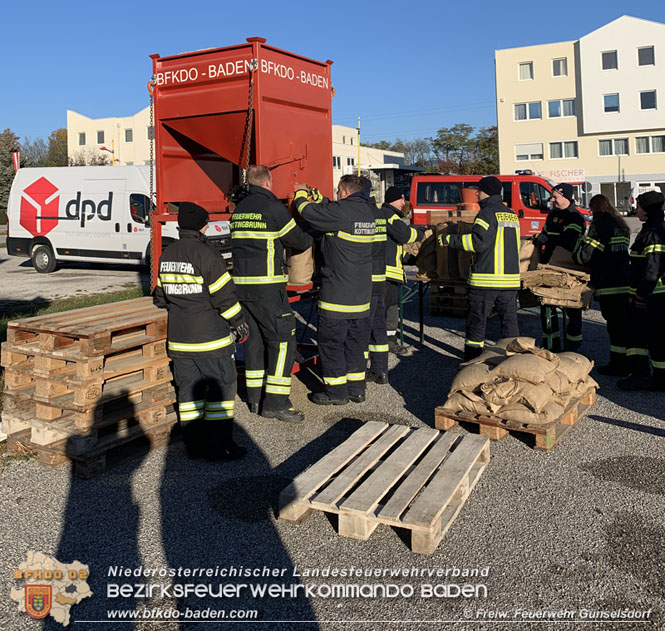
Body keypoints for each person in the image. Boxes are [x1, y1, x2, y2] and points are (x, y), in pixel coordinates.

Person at [153, 202, 249, 460]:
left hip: (180, 341)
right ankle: (219, 448)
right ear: (202, 226)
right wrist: (239, 323)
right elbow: (224, 298)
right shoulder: (208, 256)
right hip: (211, 340)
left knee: (188, 395)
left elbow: (160, 297)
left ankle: (193, 446)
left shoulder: (167, 254)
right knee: (221, 391)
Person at [230, 165, 313, 423]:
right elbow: (298, 241)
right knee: (283, 340)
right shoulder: (273, 208)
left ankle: (254, 398)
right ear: (268, 182)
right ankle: (276, 403)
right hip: (267, 287)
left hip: (241, 288)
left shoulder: (239, 210)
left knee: (253, 342)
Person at [293, 175, 375, 405]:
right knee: (356, 345)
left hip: (338, 296)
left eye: (338, 192)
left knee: (331, 345)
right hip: (361, 297)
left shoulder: (341, 212)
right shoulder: (366, 212)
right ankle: (356, 389)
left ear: (345, 191)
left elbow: (307, 212)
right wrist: (324, 199)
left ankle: (336, 393)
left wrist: (300, 193)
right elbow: (336, 211)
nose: (338, 195)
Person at [443, 176, 520, 361]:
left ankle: (472, 361)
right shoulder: (511, 214)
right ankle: (514, 362)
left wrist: (450, 240)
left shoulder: (486, 214)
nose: (476, 193)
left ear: (486, 191)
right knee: (509, 324)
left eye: (479, 189)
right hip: (509, 282)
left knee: (476, 324)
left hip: (485, 280)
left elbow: (478, 243)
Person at [573, 194, 630, 375]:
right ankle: (624, 362)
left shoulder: (599, 226)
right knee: (621, 325)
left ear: (595, 208)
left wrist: (576, 256)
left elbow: (586, 256)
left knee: (614, 327)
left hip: (607, 282)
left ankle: (618, 365)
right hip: (624, 281)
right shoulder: (620, 225)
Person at [618, 190, 665, 391]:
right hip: (651, 295)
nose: (636, 210)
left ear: (647, 210)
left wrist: (641, 295)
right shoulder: (654, 229)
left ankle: (646, 376)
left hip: (651, 297)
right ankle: (648, 375)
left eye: (639, 206)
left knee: (649, 338)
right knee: (648, 337)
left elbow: (652, 270)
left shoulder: (653, 234)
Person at [535, 182, 586, 351]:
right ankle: (551, 343)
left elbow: (569, 242)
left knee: (571, 307)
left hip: (568, 268)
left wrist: (547, 239)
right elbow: (546, 233)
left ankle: (573, 346)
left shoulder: (575, 217)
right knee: (546, 305)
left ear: (565, 197)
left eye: (555, 196)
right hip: (548, 266)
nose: (552, 199)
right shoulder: (552, 215)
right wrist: (540, 238)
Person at [382, 186, 424, 355]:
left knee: (388, 308)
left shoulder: (384, 215)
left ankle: (385, 341)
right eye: (401, 199)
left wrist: (409, 259)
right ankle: (389, 342)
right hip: (387, 273)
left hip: (386, 270)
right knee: (390, 308)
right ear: (394, 199)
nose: (403, 203)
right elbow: (405, 235)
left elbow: (392, 246)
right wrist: (422, 234)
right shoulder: (389, 216)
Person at [360, 177, 389, 384]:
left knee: (362, 327)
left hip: (365, 280)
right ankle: (380, 370)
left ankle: (359, 370)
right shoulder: (379, 214)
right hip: (380, 279)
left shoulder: (362, 215)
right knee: (378, 326)